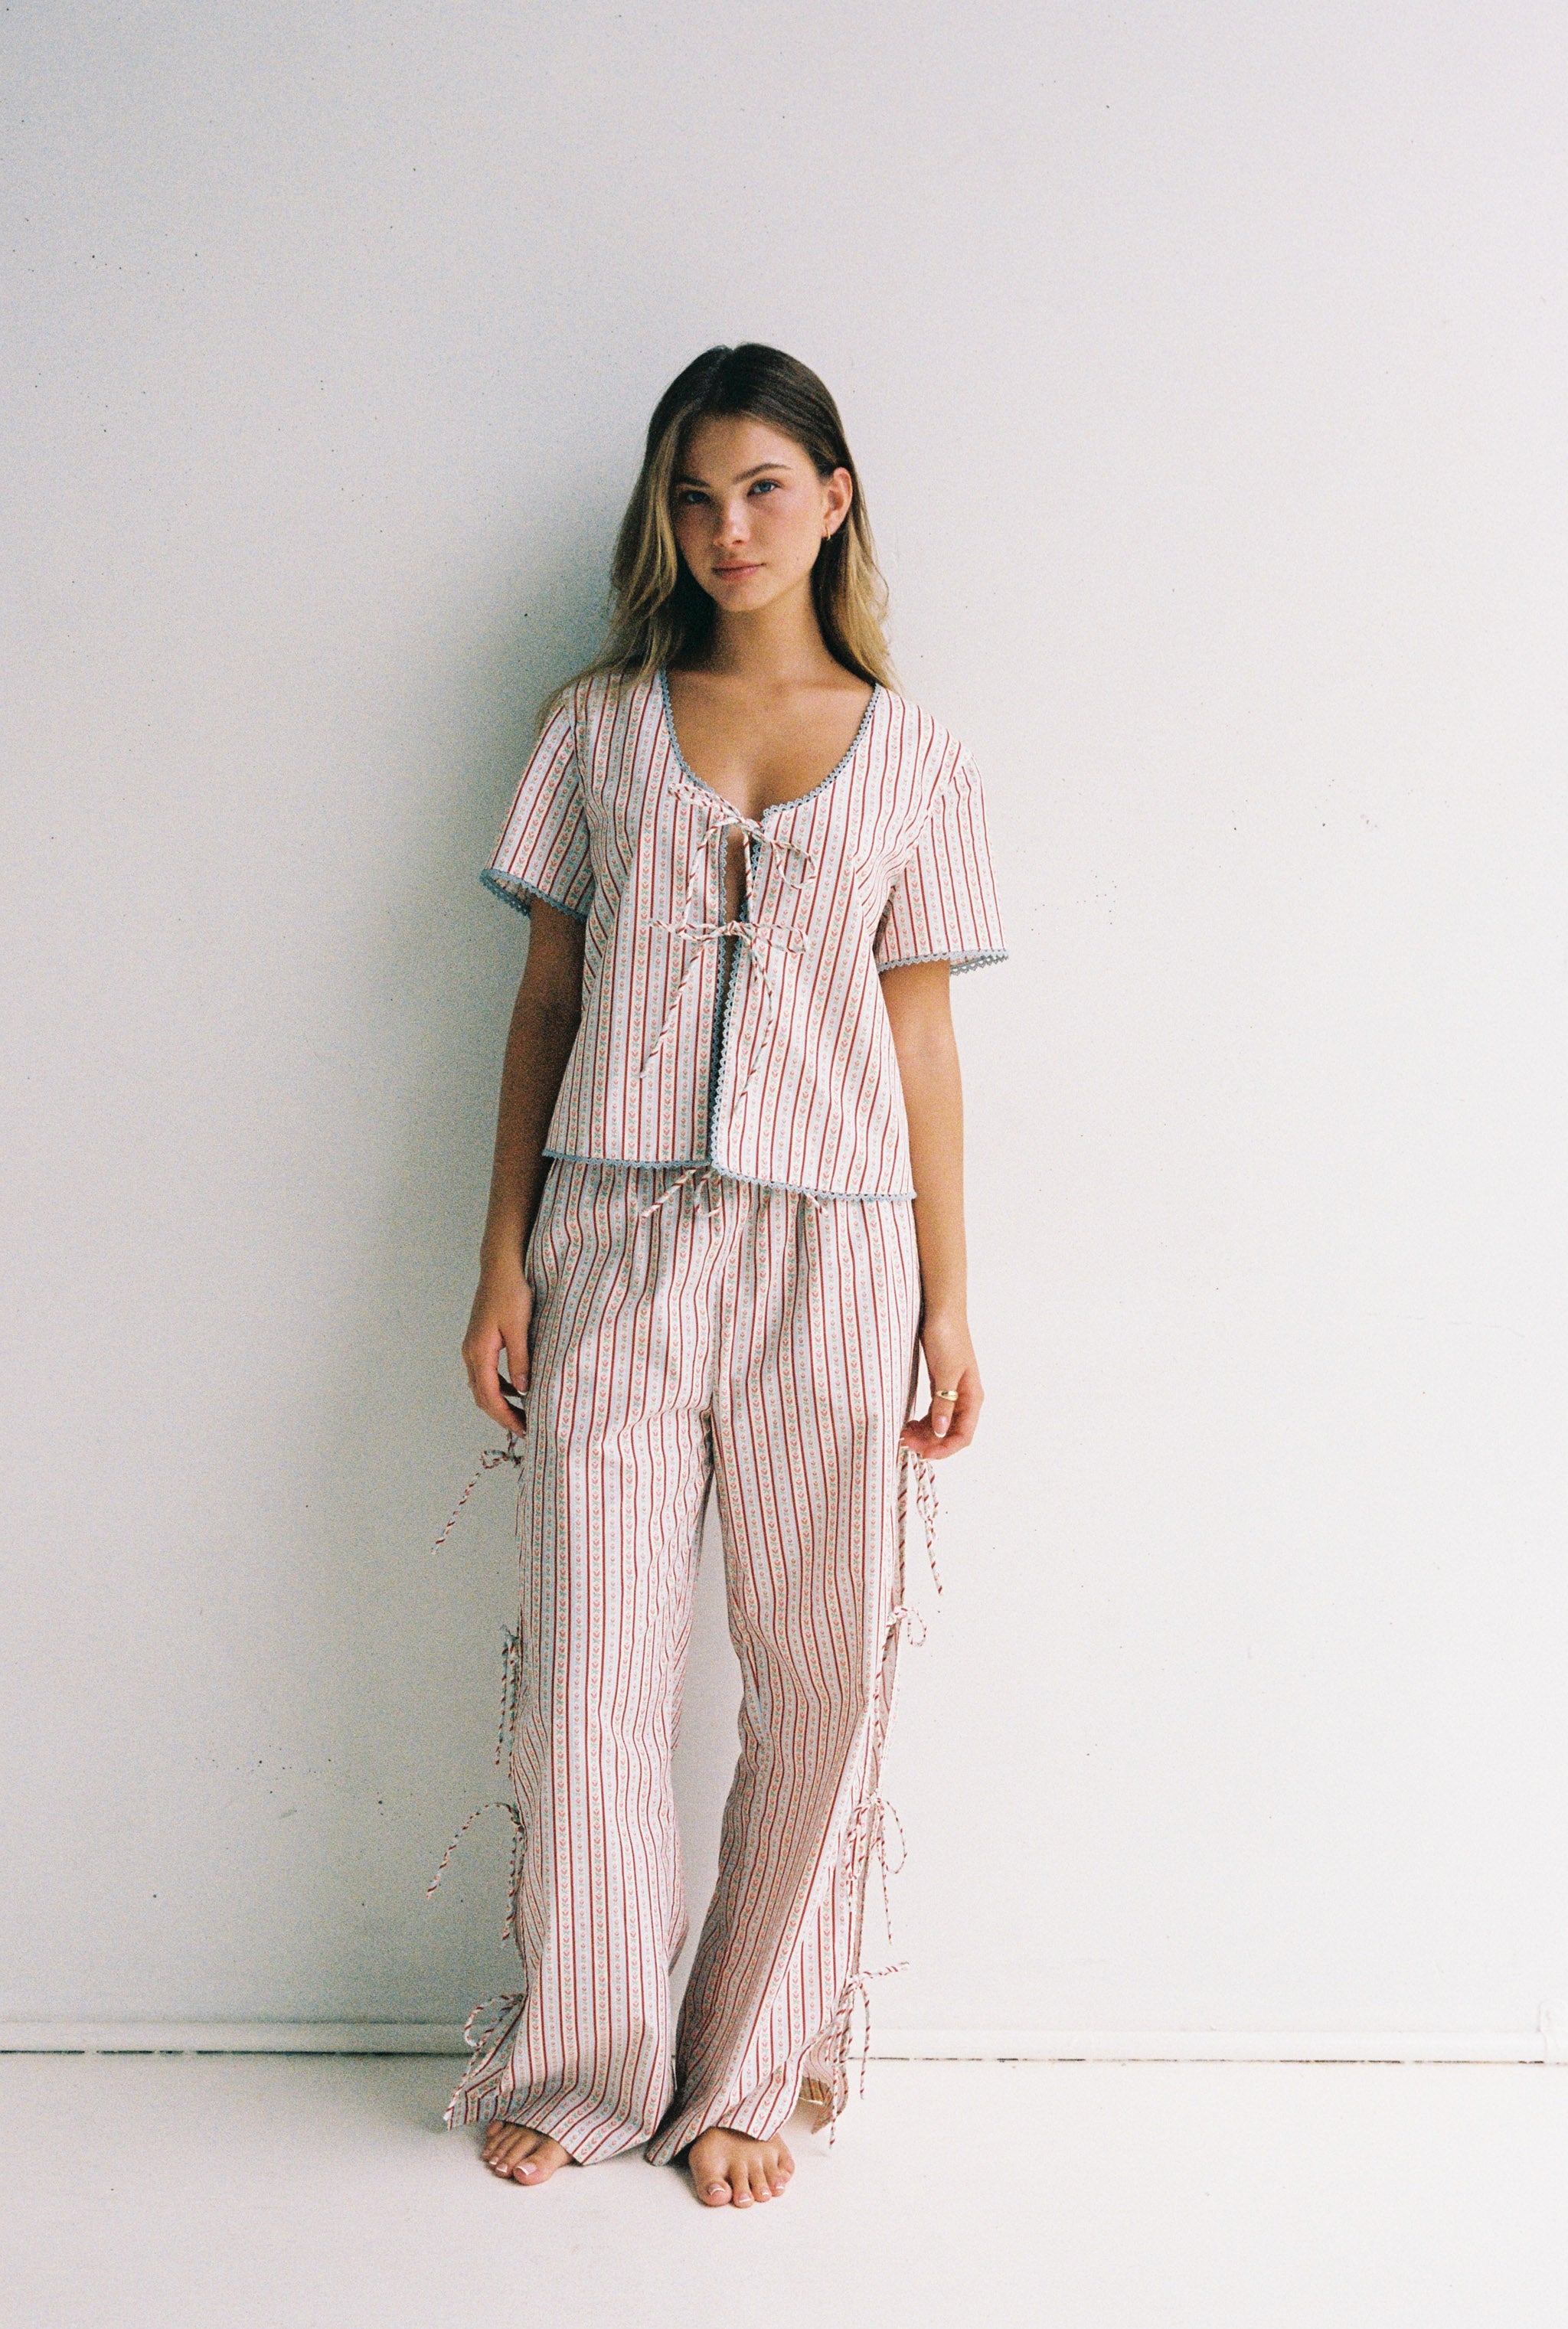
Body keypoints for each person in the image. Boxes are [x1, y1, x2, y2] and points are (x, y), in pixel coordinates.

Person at [445, 343, 1008, 2209]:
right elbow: (544, 1001)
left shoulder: (917, 754)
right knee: (591, 1673)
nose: (726, 529)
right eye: (693, 497)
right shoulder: (598, 724)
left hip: (834, 1254)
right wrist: (503, 1256)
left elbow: (919, 1036)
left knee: (821, 1666)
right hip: (612, 1236)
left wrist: (944, 1294)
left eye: (763, 488)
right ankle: (592, 2067)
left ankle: (755, 2070)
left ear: (834, 498)